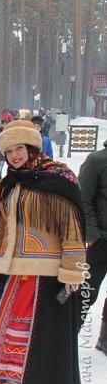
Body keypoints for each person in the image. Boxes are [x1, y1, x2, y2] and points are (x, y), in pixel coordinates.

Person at [0, 119, 85, 384]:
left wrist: (72, 273)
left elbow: (73, 231)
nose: (14, 156)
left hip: (46, 275)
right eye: (8, 151)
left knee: (33, 336)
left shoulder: (60, 179)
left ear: (32, 147)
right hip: (12, 274)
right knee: (12, 331)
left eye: (19, 148)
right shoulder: (8, 184)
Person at [78, 138, 107, 355]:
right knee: (86, 290)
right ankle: (67, 334)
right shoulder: (97, 160)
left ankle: (105, 339)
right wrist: (93, 235)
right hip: (101, 240)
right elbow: (83, 199)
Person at [0, 112, 12, 181]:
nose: (4, 125)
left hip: (7, 150)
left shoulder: (8, 130)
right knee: (0, 164)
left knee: (7, 164)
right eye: (4, 123)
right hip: (0, 150)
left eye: (6, 123)